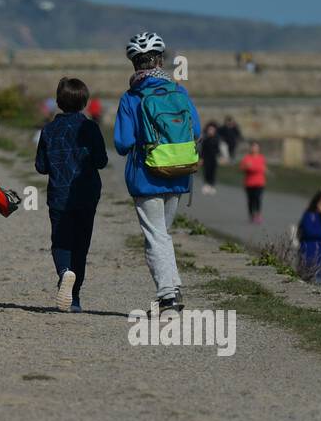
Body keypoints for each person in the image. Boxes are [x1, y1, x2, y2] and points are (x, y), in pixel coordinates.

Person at [113, 31, 201, 313]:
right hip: (178, 173)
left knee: (154, 235)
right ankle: (172, 288)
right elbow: (196, 131)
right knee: (162, 233)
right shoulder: (179, 91)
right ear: (161, 61)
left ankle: (168, 296)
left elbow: (123, 143)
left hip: (146, 176)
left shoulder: (131, 98)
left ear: (135, 64)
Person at [35, 77, 108, 312]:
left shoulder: (48, 130)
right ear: (85, 102)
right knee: (81, 245)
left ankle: (64, 272)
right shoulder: (91, 128)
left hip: (59, 195)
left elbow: (41, 166)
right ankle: (74, 299)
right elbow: (102, 161)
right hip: (87, 194)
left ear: (58, 102)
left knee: (61, 240)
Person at [240, 140, 267, 224]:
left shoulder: (261, 158)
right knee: (250, 200)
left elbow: (261, 168)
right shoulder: (246, 158)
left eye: (256, 147)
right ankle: (251, 215)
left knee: (258, 199)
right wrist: (247, 167)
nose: (254, 148)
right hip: (249, 183)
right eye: (253, 147)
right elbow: (242, 168)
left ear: (258, 148)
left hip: (259, 182)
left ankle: (258, 215)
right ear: (250, 148)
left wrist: (251, 167)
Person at [199, 123, 221, 195]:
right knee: (206, 172)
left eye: (212, 130)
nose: (211, 131)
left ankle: (212, 185)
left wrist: (220, 157)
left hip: (214, 159)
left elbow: (218, 150)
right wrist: (201, 158)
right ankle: (206, 185)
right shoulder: (205, 139)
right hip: (206, 158)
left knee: (213, 172)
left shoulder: (217, 139)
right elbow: (202, 150)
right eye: (210, 130)